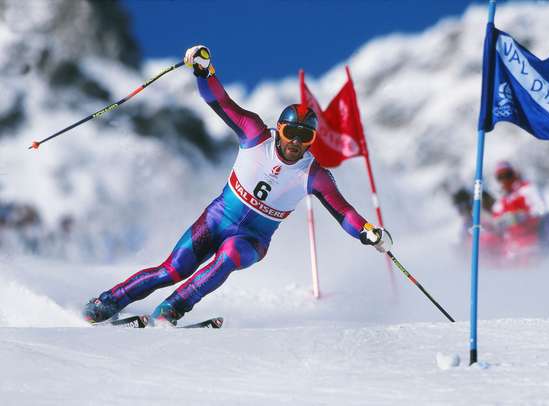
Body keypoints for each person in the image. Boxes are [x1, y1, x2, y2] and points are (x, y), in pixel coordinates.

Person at [83, 45, 392, 326]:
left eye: (305, 137)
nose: (296, 142)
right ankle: (105, 303)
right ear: (279, 130)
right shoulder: (255, 134)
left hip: (252, 239)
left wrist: (368, 232)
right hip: (215, 220)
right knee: (171, 270)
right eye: (290, 133)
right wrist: (205, 71)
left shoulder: (315, 174)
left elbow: (344, 213)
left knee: (229, 256)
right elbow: (221, 101)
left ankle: (170, 311)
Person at [492, 161, 545, 260]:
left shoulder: (527, 189)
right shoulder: (500, 202)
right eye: (500, 177)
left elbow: (541, 210)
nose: (505, 180)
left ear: (514, 174)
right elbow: (496, 224)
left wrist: (522, 216)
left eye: (508, 175)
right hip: (510, 250)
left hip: (532, 241)